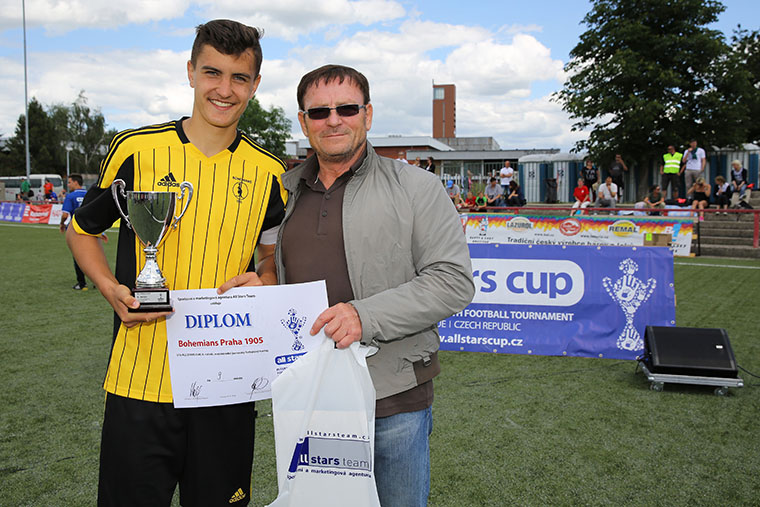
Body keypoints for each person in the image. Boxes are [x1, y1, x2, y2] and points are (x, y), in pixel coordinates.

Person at [66, 20, 286, 507]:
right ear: (190, 72)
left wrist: (266, 277)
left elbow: (270, 258)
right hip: (139, 377)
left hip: (226, 383)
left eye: (239, 77)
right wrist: (110, 289)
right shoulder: (135, 150)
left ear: (254, 85)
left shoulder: (270, 172)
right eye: (212, 72)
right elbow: (81, 231)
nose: (224, 90)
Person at [277, 64, 474, 506]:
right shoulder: (286, 191)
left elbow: (453, 281)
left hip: (393, 395)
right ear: (303, 121)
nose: (333, 119)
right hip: (310, 394)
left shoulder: (417, 187)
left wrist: (364, 316)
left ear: (367, 114)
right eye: (319, 111)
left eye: (346, 108)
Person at [60, 174, 95, 290]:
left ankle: (82, 283)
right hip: (91, 228)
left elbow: (65, 214)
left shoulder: (70, 197)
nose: (68, 185)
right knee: (94, 255)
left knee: (78, 256)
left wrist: (61, 224)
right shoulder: (89, 194)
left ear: (76, 182)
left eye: (69, 182)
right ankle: (96, 282)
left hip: (77, 230)